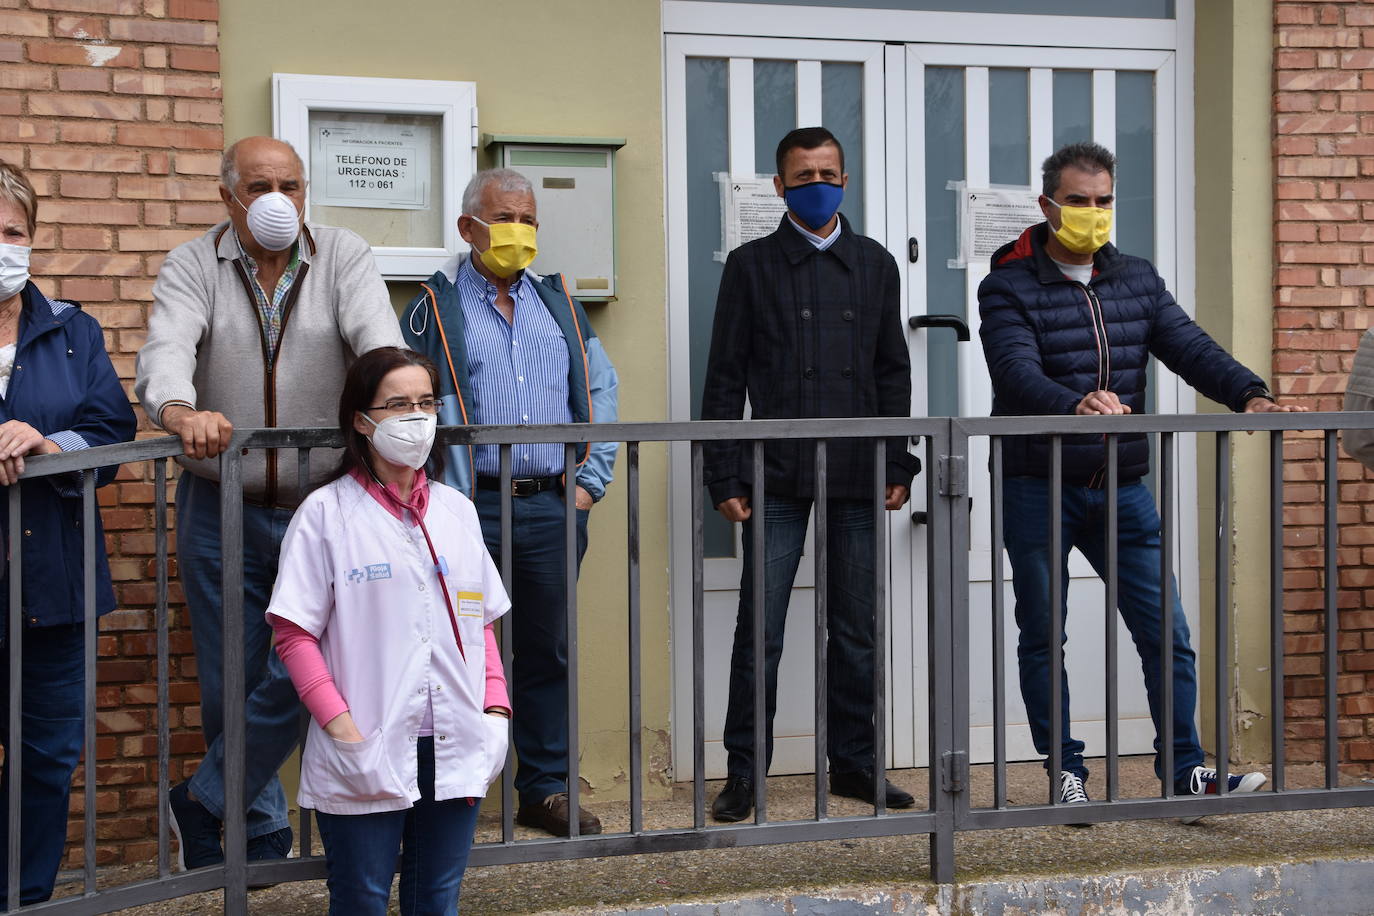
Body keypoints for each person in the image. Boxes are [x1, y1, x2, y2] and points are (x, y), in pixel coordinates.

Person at [977, 141, 1305, 815]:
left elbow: (1188, 346)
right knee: (1045, 631)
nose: (1093, 214)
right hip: (1037, 485)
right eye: (1078, 202)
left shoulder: (1136, 279)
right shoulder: (1008, 283)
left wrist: (1250, 394)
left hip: (1121, 486)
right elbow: (1014, 369)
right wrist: (1074, 403)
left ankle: (1186, 770)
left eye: (1103, 202)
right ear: (1048, 206)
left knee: (1168, 633)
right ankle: (1065, 770)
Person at [134, 136, 405, 868]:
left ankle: (204, 798)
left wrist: (396, 408)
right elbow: (166, 349)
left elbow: (374, 340)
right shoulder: (195, 263)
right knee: (231, 675)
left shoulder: (343, 254)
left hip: (324, 509)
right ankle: (254, 831)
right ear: (229, 198)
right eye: (260, 186)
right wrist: (180, 410)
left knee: (317, 665)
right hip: (221, 507)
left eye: (291, 183)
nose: (279, 199)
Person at [700, 127, 919, 823]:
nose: (816, 183)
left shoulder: (875, 264)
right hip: (776, 474)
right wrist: (723, 474)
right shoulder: (751, 265)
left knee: (856, 627)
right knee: (759, 627)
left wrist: (899, 459)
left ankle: (855, 766)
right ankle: (744, 773)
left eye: (827, 172)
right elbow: (724, 377)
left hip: (858, 473)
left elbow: (893, 372)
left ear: (845, 180)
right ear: (779, 186)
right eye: (802, 175)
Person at [401, 168, 618, 837]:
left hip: (551, 507)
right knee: (454, 649)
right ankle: (448, 792)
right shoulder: (431, 308)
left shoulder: (559, 304)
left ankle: (544, 789)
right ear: (469, 227)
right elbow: (403, 398)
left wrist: (588, 485)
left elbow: (601, 387)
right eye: (505, 219)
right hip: (468, 507)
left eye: (528, 221)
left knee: (545, 649)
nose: (518, 234)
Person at [266, 346, 509, 915]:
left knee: (436, 902)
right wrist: (343, 729)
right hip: (368, 741)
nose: (416, 418)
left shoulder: (456, 511)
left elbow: (481, 624)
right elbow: (294, 636)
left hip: (455, 740)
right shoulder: (326, 514)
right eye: (397, 405)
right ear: (361, 419)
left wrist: (494, 711)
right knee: (363, 901)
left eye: (426, 402)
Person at [0, 161, 137, 904]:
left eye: (13, 232)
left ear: (33, 240)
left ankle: (25, 897)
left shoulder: (73, 331)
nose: (3, 246)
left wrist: (55, 447)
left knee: (46, 760)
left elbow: (112, 431)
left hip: (53, 586)